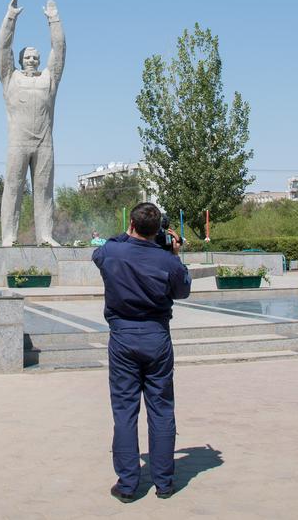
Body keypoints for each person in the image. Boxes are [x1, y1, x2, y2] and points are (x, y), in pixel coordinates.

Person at [92, 202, 191, 501]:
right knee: (161, 409)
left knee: (125, 411)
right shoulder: (167, 260)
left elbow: (99, 253)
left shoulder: (112, 251)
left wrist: (127, 235)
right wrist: (174, 254)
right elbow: (182, 291)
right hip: (156, 336)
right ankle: (164, 483)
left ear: (132, 225)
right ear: (158, 229)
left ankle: (127, 484)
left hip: (123, 337)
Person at [0, 0, 65, 246]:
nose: (32, 60)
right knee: (13, 189)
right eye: (27, 57)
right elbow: (2, 48)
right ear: (19, 60)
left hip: (44, 143)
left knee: (44, 192)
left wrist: (54, 19)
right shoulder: (10, 78)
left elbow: (59, 51)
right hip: (18, 143)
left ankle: (45, 236)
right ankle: (9, 236)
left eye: (36, 57)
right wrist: (10, 18)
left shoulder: (49, 79)